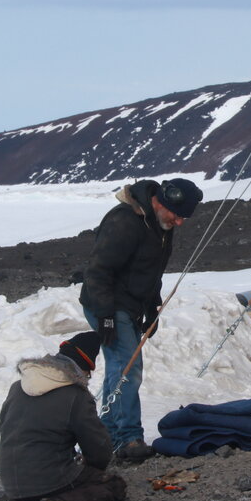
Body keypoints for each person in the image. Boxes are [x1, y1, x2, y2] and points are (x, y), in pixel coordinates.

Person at [80, 178, 203, 463]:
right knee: (128, 367)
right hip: (108, 304)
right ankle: (127, 438)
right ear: (161, 201)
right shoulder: (125, 222)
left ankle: (107, 436)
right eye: (177, 214)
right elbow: (98, 271)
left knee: (120, 367)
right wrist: (106, 317)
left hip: (130, 306)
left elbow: (150, 270)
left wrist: (152, 307)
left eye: (184, 217)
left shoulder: (160, 224)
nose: (179, 222)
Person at [0, 330, 126, 501]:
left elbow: (4, 427)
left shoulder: (17, 387)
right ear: (82, 369)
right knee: (114, 485)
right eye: (88, 373)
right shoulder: (76, 396)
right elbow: (99, 449)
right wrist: (91, 469)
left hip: (10, 482)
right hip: (51, 479)